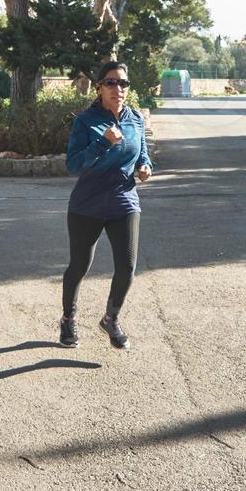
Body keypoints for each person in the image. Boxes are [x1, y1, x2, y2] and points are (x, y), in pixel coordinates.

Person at [59, 61, 152, 351]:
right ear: (99, 87)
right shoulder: (86, 121)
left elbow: (143, 153)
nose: (118, 88)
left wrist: (145, 166)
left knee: (127, 267)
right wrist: (103, 143)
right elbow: (74, 164)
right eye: (111, 82)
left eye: (123, 83)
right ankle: (68, 319)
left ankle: (111, 318)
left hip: (124, 201)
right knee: (79, 266)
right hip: (87, 204)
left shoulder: (135, 118)